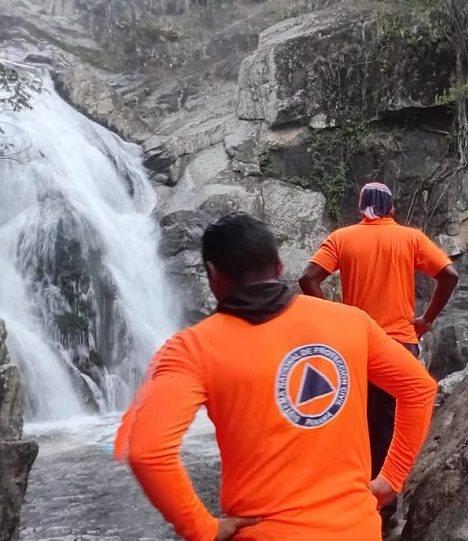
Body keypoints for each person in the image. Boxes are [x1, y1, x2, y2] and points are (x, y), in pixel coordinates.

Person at [114, 212, 438, 540]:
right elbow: (420, 389)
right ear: (280, 266)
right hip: (356, 530)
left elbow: (148, 451)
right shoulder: (351, 322)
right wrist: (391, 477)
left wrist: (202, 528)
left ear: (213, 276)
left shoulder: (191, 349)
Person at [299, 181, 458, 529]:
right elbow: (449, 274)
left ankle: (358, 502)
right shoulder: (410, 238)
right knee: (388, 424)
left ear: (361, 209)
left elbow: (308, 279)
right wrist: (426, 319)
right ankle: (382, 510)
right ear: (392, 210)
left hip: (354, 345)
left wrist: (332, 321)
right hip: (399, 344)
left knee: (353, 423)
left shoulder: (341, 239)